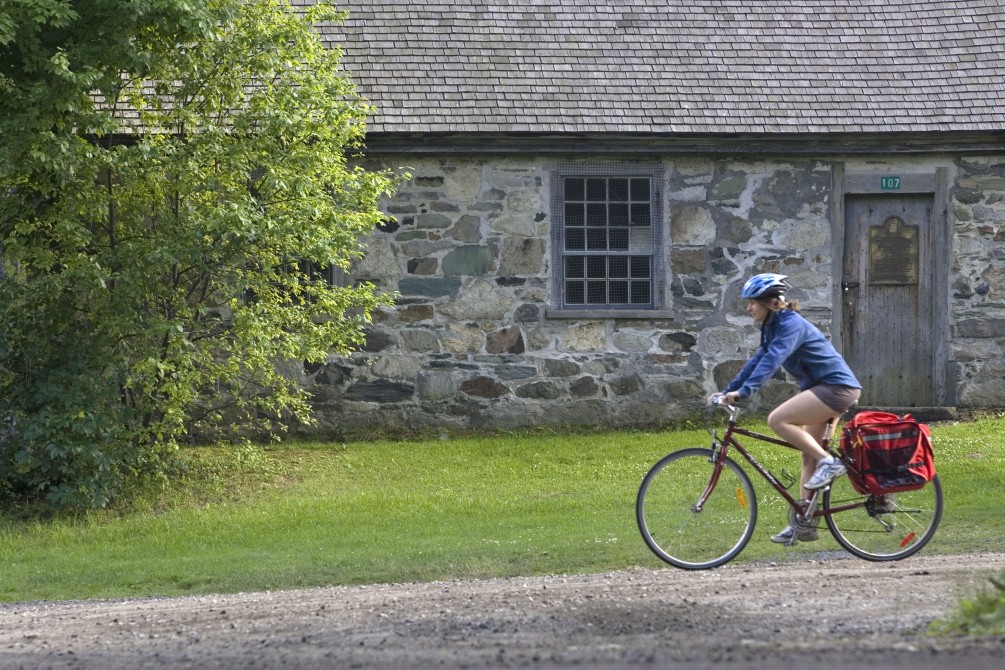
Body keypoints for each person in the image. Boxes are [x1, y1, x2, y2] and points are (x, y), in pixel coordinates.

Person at [708, 273, 862, 545]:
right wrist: (727, 390)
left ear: (768, 302)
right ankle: (805, 523)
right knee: (808, 457)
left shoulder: (790, 324)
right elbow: (757, 361)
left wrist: (744, 392)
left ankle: (831, 463)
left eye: (752, 302)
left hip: (836, 388)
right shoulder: (772, 326)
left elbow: (773, 360)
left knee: (778, 420)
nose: (748, 308)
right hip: (822, 388)